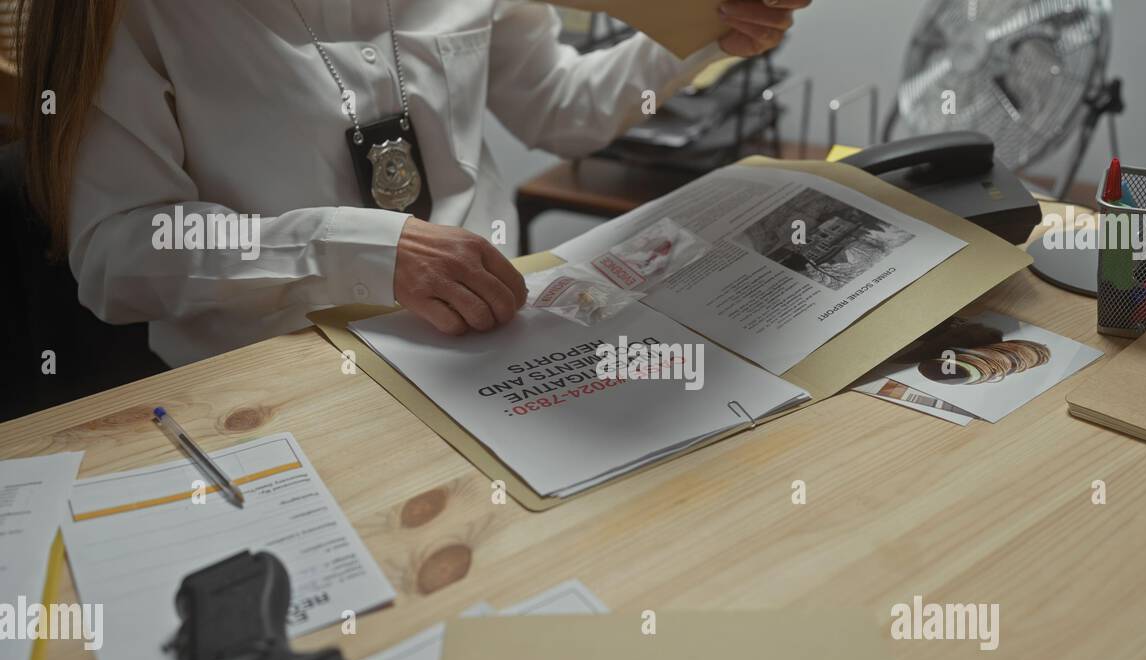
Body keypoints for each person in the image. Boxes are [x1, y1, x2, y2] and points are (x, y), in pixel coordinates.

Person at [16, 0, 810, 367]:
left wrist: (709, 35)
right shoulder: (136, 12)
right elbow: (118, 252)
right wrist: (359, 249)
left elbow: (561, 112)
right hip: (277, 371)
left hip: (501, 344)